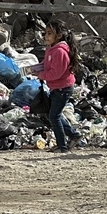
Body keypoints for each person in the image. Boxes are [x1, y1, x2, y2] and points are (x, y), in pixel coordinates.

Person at [29, 20, 80, 153]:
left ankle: (62, 146)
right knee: (54, 114)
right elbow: (48, 65)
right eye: (45, 33)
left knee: (54, 116)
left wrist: (41, 75)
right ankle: (74, 135)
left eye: (49, 33)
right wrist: (37, 68)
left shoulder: (60, 52)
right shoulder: (52, 49)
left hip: (62, 88)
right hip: (57, 87)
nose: (46, 36)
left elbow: (56, 73)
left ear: (59, 35)